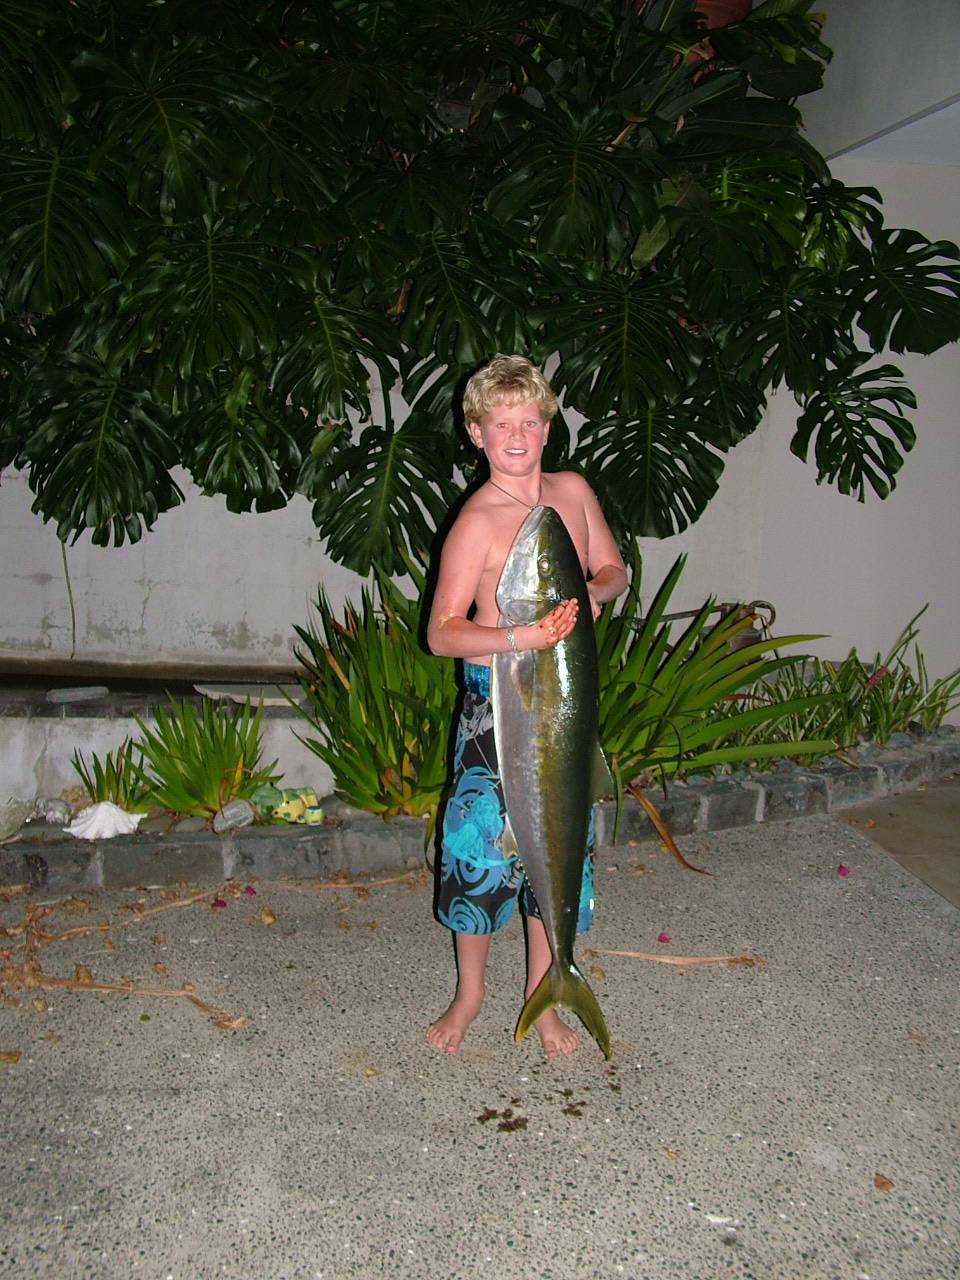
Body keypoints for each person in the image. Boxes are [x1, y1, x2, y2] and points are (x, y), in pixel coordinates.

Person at [425, 354, 627, 1058]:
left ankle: (549, 993)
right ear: (476, 433)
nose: (517, 435)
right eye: (501, 423)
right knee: (481, 849)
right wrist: (520, 637)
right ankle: (471, 992)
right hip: (498, 707)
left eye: (529, 421)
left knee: (558, 851)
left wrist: (592, 592)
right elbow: (442, 633)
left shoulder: (573, 492)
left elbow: (614, 568)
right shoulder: (476, 522)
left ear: (548, 426)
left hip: (565, 701)